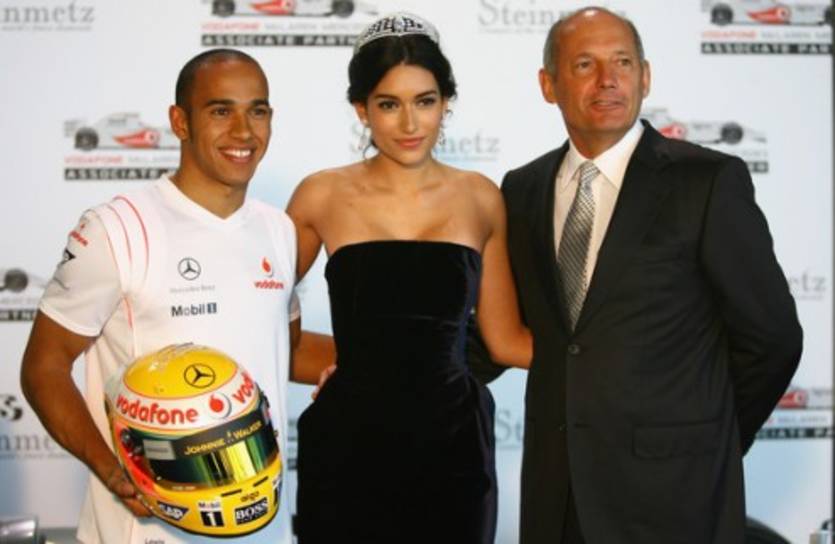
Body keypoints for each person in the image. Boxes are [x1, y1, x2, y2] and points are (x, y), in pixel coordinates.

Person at [469, 6, 803, 543]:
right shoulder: (522, 189)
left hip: (675, 496)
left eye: (623, 62)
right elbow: (502, 330)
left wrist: (707, 440)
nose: (608, 79)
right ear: (548, 85)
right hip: (558, 494)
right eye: (585, 64)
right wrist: (382, 372)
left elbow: (772, 338)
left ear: (645, 77)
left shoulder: (707, 181)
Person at [19, 49, 332, 544]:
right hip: (144, 530)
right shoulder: (116, 229)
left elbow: (283, 348)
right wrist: (112, 470)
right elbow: (44, 366)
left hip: (262, 529)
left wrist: (400, 362)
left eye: (257, 111)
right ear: (180, 121)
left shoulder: (279, 231)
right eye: (221, 111)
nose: (244, 132)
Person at [286, 12, 532, 544]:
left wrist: (624, 358)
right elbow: (263, 310)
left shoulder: (481, 197)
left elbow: (506, 341)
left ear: (446, 102)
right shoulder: (320, 195)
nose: (410, 123)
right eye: (388, 104)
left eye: (425, 101)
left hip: (454, 450)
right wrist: (344, 365)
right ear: (362, 109)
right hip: (349, 448)